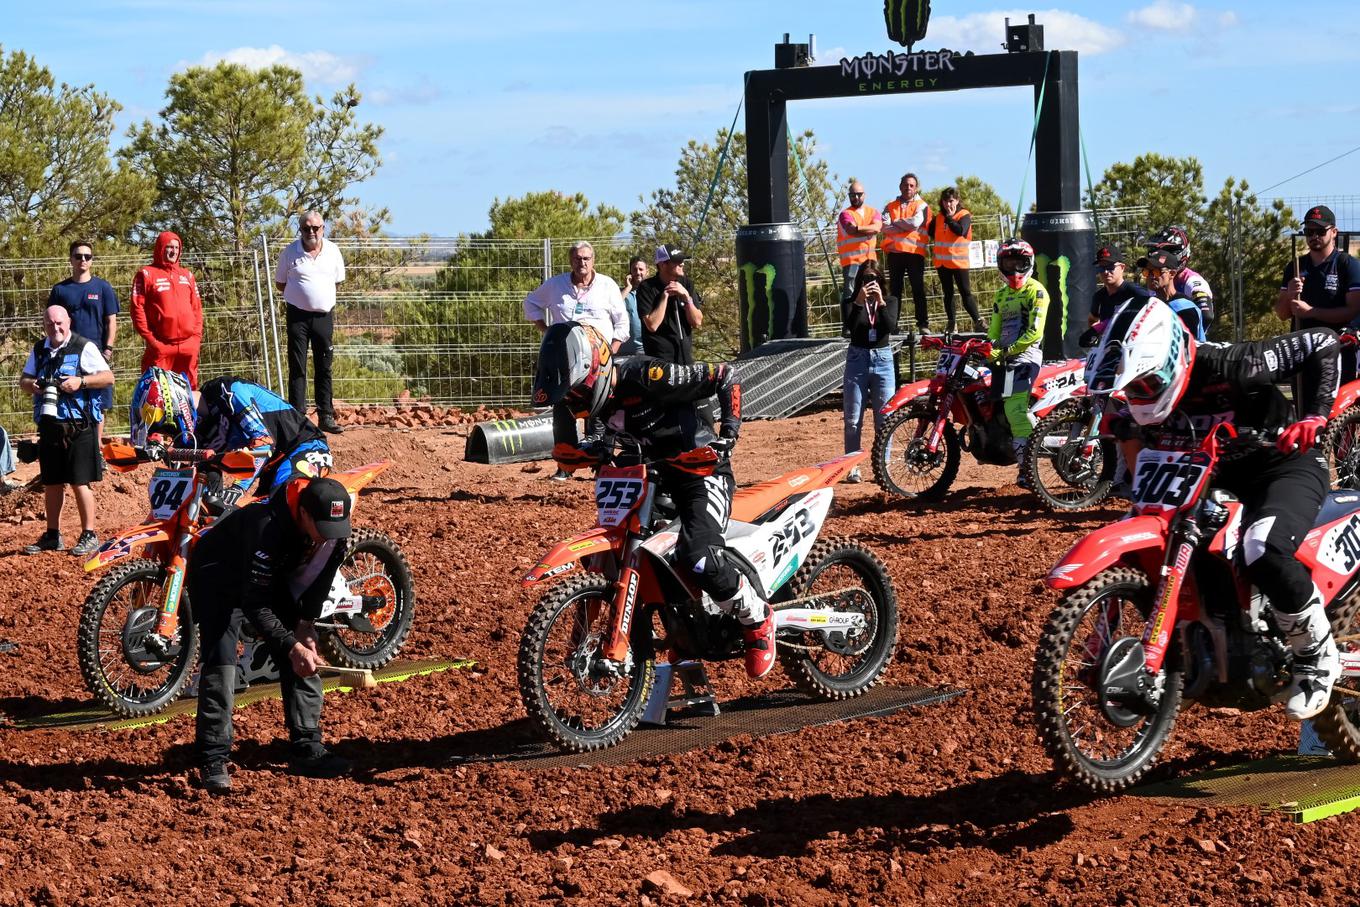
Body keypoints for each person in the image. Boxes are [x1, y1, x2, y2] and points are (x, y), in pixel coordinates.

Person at [1090, 299, 1341, 720]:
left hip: (1281, 463)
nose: (1139, 395)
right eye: (1133, 387)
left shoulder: (1235, 365)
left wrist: (1315, 415)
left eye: (1146, 385)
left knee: (1262, 546)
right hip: (1207, 470)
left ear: (1171, 360)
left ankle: (1316, 656)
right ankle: (1186, 659)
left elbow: (1322, 341)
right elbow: (1132, 434)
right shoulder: (1138, 393)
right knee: (1179, 541)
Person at [532, 321, 776, 679]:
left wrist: (729, 434)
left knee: (698, 557)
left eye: (577, 394)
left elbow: (725, 375)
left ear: (596, 369)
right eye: (569, 398)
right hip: (649, 479)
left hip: (700, 472)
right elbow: (586, 443)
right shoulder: (590, 399)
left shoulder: (649, 374)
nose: (575, 404)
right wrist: (581, 452)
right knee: (625, 555)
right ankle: (680, 628)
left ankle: (757, 618)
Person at [189, 475, 355, 792]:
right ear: (304, 514)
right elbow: (255, 604)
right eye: (321, 528)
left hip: (268, 576)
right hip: (218, 575)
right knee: (222, 660)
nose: (326, 537)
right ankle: (213, 757)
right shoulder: (265, 525)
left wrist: (305, 624)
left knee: (304, 649)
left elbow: (323, 575)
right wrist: (291, 646)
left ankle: (307, 745)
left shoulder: (331, 530)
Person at [129, 367, 332, 495]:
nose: (169, 433)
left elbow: (264, 442)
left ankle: (320, 559)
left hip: (305, 447)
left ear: (176, 407)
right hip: (272, 466)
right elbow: (204, 470)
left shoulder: (230, 392)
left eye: (167, 426)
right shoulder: (197, 431)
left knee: (285, 497)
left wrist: (238, 488)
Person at [19, 306, 115, 556]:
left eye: (60, 323)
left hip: (79, 425)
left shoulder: (84, 347)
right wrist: (36, 386)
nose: (56, 328)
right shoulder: (40, 350)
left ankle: (89, 534)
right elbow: (24, 381)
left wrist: (80, 382)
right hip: (50, 425)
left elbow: (108, 377)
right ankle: (52, 535)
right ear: (44, 325)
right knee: (52, 482)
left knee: (79, 482)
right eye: (50, 324)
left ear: (68, 322)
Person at [276, 211, 347, 434]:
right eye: (306, 228)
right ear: (300, 230)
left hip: (323, 316)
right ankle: (297, 418)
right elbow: (280, 284)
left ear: (323, 228)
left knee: (324, 366)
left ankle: (326, 415)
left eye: (315, 228)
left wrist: (319, 298)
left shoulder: (333, 251)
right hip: (297, 316)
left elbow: (337, 281)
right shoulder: (290, 253)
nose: (311, 232)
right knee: (297, 366)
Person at [987, 239, 1049, 486]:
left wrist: (1008, 350)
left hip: (1027, 357)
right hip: (1004, 357)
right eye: (1008, 263)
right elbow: (993, 331)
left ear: (1029, 263)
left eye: (1019, 263)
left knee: (1015, 410)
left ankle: (1027, 469)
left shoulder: (1037, 291)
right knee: (998, 410)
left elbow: (1035, 332)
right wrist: (989, 348)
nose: (1014, 269)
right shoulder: (1000, 295)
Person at [1275, 205, 1360, 382]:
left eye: (1320, 231)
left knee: (1338, 409)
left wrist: (1311, 312)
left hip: (1338, 352)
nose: (1314, 236)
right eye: (1309, 231)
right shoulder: (1296, 266)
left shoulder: (1347, 265)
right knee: (1303, 407)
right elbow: (1282, 314)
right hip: (1303, 353)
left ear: (1334, 232)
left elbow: (1352, 311)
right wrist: (1290, 294)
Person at [48, 240, 119, 436]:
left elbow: (111, 321)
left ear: (92, 260)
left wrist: (108, 349)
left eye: (87, 256)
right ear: (71, 259)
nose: (83, 260)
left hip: (96, 352)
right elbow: (51, 321)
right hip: (67, 353)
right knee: (66, 400)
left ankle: (96, 453)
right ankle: (70, 447)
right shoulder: (60, 290)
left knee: (98, 404)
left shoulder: (103, 287)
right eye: (78, 256)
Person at [841, 260, 899, 484]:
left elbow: (889, 327)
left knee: (884, 418)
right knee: (853, 418)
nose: (870, 283)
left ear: (881, 281)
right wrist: (858, 302)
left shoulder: (890, 301)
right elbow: (852, 328)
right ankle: (852, 465)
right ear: (859, 282)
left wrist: (881, 303)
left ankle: (882, 466)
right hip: (857, 358)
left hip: (882, 358)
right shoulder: (850, 303)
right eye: (866, 279)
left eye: (874, 279)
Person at [522, 240, 628, 353]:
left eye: (586, 258)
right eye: (577, 258)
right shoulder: (555, 284)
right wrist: (547, 331)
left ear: (593, 260)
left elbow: (622, 322)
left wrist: (612, 351)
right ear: (570, 261)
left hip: (599, 356)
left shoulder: (607, 285)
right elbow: (530, 303)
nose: (582, 263)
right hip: (563, 353)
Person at [131, 231, 203, 389]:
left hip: (188, 346)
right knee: (157, 393)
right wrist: (152, 341)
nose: (173, 251)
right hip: (161, 346)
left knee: (189, 392)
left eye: (176, 248)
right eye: (169, 247)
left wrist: (195, 339)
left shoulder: (187, 275)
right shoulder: (146, 274)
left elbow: (197, 309)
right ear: (160, 248)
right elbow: (137, 309)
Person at [635, 244, 704, 365]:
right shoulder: (646, 287)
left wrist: (686, 297)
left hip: (685, 358)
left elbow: (697, 322)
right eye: (677, 261)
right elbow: (652, 325)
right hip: (659, 361)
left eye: (682, 260)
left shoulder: (686, 284)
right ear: (662, 265)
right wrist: (664, 296)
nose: (682, 264)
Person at [881, 173, 931, 333]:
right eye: (905, 184)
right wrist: (904, 225)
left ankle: (923, 323)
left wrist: (895, 223)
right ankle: (893, 324)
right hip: (895, 253)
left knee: (918, 289)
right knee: (895, 291)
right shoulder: (890, 206)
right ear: (900, 186)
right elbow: (884, 226)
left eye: (911, 185)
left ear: (916, 188)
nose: (908, 188)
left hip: (914, 253)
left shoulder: (922, 205)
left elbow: (915, 223)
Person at [1137, 226, 1214, 328]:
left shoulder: (1192, 281)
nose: (1155, 256)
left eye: (1163, 252)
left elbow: (1206, 316)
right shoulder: (1154, 277)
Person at [931, 188, 984, 333]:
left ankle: (978, 320)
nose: (948, 204)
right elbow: (930, 231)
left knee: (965, 292)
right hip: (942, 262)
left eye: (951, 201)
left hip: (959, 262)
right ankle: (951, 323)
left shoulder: (963, 214)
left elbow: (961, 230)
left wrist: (949, 218)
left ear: (957, 201)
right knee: (948, 293)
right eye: (945, 201)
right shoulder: (938, 217)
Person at [1143, 249, 1207, 341]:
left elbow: (1188, 346)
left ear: (1172, 274)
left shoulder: (1185, 308)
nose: (1150, 276)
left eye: (1156, 272)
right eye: (1146, 272)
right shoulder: (1150, 304)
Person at [836, 180, 882, 301]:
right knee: (851, 294)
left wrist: (858, 229)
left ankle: (871, 319)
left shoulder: (874, 212)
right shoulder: (845, 214)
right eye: (852, 195)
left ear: (864, 195)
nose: (856, 197)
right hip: (852, 262)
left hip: (870, 262)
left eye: (859, 194)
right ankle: (850, 319)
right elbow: (850, 230)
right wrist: (868, 230)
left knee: (872, 292)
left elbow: (877, 228)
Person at [1088, 244, 1153, 328]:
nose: (1106, 272)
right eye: (1101, 268)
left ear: (1122, 267)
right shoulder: (1098, 296)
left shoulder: (1137, 293)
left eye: (1110, 267)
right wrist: (1094, 332)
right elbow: (1092, 319)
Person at [619, 257, 648, 355]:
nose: (638, 272)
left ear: (647, 272)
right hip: (623, 350)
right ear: (630, 272)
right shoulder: (622, 292)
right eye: (634, 269)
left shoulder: (652, 292)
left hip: (647, 349)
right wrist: (628, 288)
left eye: (641, 269)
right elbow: (614, 306)